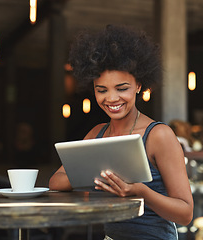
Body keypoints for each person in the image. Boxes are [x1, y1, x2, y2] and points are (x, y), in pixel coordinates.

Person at [49, 25, 193, 240]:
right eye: (102, 90)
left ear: (138, 86)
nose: (112, 98)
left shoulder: (158, 135)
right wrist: (90, 170)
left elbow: (185, 213)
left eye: (122, 88)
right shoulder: (97, 134)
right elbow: (55, 182)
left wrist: (140, 191)